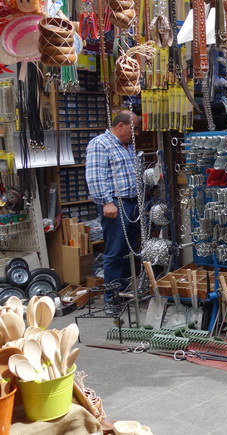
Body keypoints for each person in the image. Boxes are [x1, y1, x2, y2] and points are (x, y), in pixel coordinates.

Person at [85, 110, 142, 311]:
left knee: (128, 252)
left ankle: (124, 293)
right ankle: (112, 298)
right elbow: (94, 176)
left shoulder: (127, 146)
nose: (136, 134)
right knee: (115, 252)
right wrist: (106, 202)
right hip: (115, 205)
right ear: (120, 126)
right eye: (134, 129)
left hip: (132, 204)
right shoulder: (100, 144)